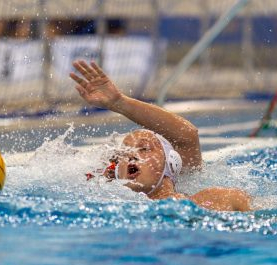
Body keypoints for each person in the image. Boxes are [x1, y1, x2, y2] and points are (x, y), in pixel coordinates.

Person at [70, 60, 251, 212]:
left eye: (144, 148)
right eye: (125, 153)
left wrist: (120, 103)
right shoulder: (111, 207)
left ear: (171, 163)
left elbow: (187, 136)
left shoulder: (216, 200)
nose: (131, 155)